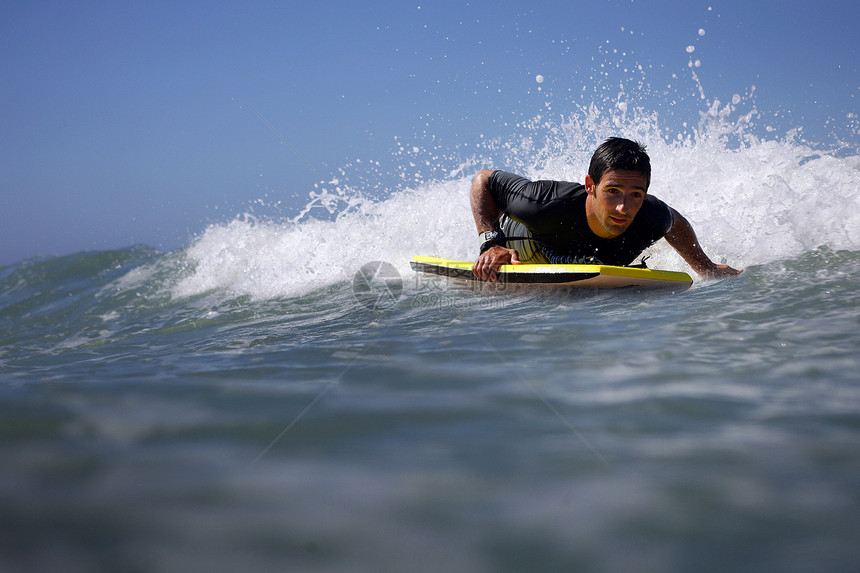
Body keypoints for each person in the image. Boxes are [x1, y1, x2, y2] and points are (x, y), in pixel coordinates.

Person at [471, 137, 742, 281]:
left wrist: (706, 268)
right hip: (527, 241)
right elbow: (484, 180)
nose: (623, 208)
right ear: (591, 185)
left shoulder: (650, 216)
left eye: (636, 194)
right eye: (612, 191)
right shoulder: (544, 203)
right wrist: (491, 243)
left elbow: (674, 221)